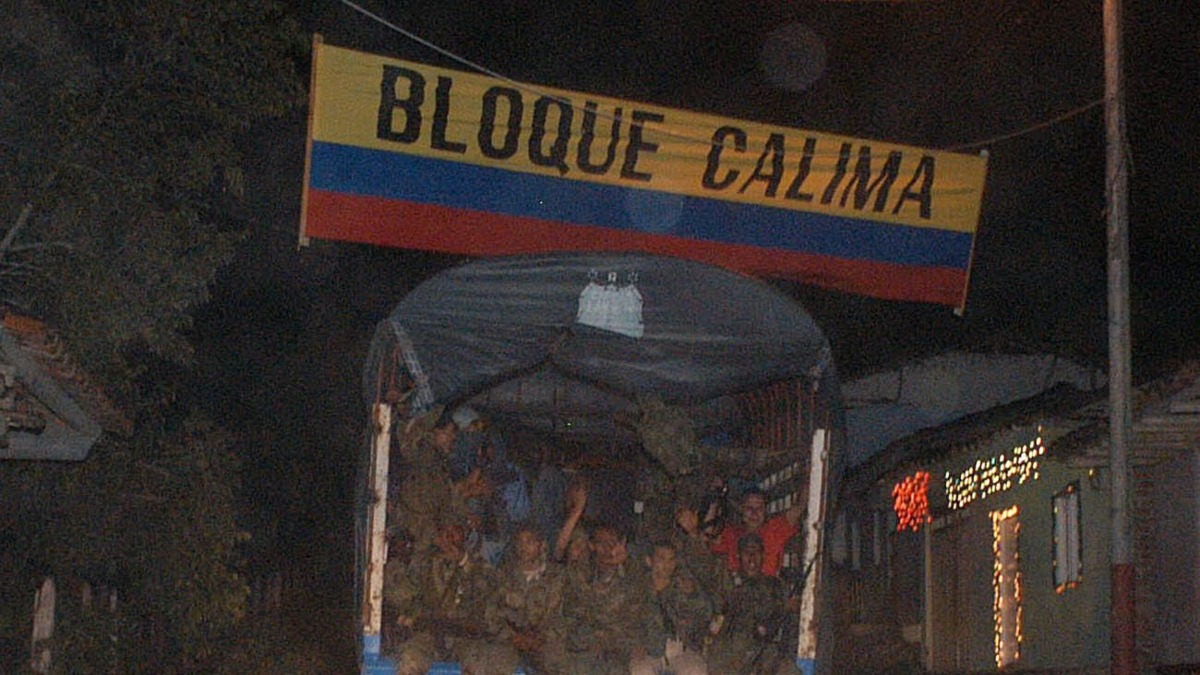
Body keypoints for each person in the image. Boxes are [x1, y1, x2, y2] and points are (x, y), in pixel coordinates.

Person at [382, 522, 503, 675]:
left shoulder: (480, 566)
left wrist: (463, 562)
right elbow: (404, 598)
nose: (449, 537)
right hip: (428, 634)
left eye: (455, 531)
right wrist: (414, 617)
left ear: (465, 534)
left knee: (478, 665)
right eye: (444, 532)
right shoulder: (421, 563)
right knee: (409, 660)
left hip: (466, 637)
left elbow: (489, 592)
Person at [388, 409, 491, 550]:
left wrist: (465, 514)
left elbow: (443, 502)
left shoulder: (438, 465)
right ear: (434, 431)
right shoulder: (423, 456)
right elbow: (418, 505)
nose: (453, 438)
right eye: (449, 432)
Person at [560, 523, 647, 675]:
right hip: (585, 646)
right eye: (602, 542)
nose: (608, 548)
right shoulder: (579, 572)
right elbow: (572, 615)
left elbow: (639, 613)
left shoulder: (633, 571)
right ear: (592, 546)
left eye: (613, 541)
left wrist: (623, 563)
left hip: (619, 647)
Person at [484, 525, 569, 675]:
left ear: (541, 544)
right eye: (520, 542)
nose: (523, 547)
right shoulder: (503, 575)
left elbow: (564, 615)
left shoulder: (559, 576)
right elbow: (491, 614)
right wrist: (513, 637)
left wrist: (541, 637)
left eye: (529, 541)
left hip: (547, 643)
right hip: (509, 642)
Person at [707, 534, 789, 675]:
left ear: (763, 555)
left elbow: (781, 618)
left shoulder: (775, 586)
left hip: (764, 651)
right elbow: (716, 619)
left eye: (756, 552)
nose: (752, 557)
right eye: (747, 552)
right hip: (729, 652)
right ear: (738, 555)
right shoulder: (726, 582)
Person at [632, 539, 711, 675]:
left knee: (697, 670)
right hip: (649, 652)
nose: (667, 565)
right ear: (649, 561)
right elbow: (624, 620)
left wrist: (691, 595)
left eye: (671, 559)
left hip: (681, 649)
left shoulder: (684, 585)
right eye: (661, 559)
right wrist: (634, 644)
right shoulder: (637, 587)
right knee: (640, 671)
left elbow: (706, 614)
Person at [708, 488, 803, 577]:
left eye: (759, 508)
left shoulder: (774, 529)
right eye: (749, 508)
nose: (754, 513)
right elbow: (708, 531)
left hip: (767, 587)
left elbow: (800, 505)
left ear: (765, 511)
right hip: (733, 587)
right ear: (741, 509)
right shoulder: (730, 534)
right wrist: (714, 496)